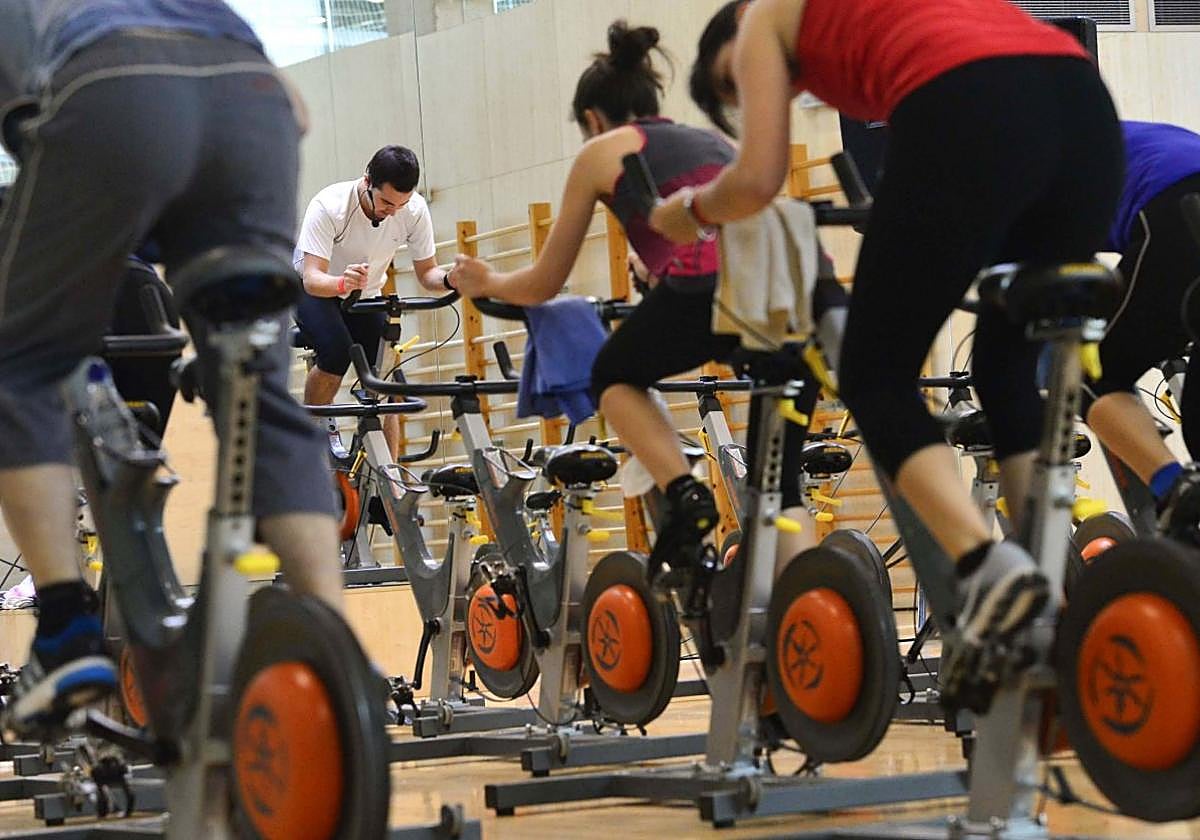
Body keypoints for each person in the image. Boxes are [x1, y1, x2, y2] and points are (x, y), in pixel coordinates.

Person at [668, 0, 1123, 689]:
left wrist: (690, 212)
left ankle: (987, 569)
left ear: (725, 41)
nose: (775, 93)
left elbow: (758, 181)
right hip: (1083, 104)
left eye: (735, 84)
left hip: (972, 97)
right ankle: (1045, 588)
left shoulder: (761, 17)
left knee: (874, 375)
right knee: (1004, 366)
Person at [0, 0, 344, 738]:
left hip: (118, 92)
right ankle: (336, 654)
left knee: (18, 363)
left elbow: (25, 112)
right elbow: (300, 110)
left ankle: (63, 626)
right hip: (255, 108)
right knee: (253, 380)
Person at [449, 21, 816, 584]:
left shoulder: (601, 151)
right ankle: (805, 603)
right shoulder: (714, 141)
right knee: (782, 485)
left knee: (614, 376)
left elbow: (545, 283)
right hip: (789, 293)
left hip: (709, 292)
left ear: (593, 120)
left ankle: (687, 493)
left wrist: (486, 280)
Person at [1081, 122, 1200, 543]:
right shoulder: (1108, 132)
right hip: (1178, 193)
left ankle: (1175, 489)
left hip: (1177, 205)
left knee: (1092, 377)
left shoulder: (1009, 168)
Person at [294, 146, 451, 457]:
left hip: (365, 293)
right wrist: (341, 282)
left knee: (382, 376)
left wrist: (450, 279)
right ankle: (308, 445)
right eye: (386, 203)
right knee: (336, 354)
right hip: (316, 288)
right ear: (367, 182)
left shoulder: (414, 210)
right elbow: (312, 278)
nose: (393, 211)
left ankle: (387, 479)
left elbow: (428, 273)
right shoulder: (330, 205)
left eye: (401, 204)